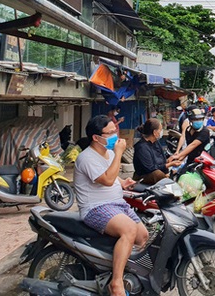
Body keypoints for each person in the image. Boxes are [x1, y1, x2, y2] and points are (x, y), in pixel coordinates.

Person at [74, 115, 148, 296]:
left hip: (116, 204)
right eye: (110, 133)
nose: (115, 135)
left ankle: (124, 271)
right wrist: (119, 153)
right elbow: (107, 179)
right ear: (96, 137)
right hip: (95, 207)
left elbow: (112, 176)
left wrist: (123, 182)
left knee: (143, 236)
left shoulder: (108, 153)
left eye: (115, 131)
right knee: (129, 230)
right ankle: (116, 283)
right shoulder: (86, 158)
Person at [133, 118, 180, 184]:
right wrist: (169, 164)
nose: (161, 131)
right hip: (143, 176)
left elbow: (161, 159)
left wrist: (169, 161)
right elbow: (151, 168)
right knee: (157, 174)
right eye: (160, 130)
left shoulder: (156, 142)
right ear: (155, 132)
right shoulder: (141, 147)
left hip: (158, 172)